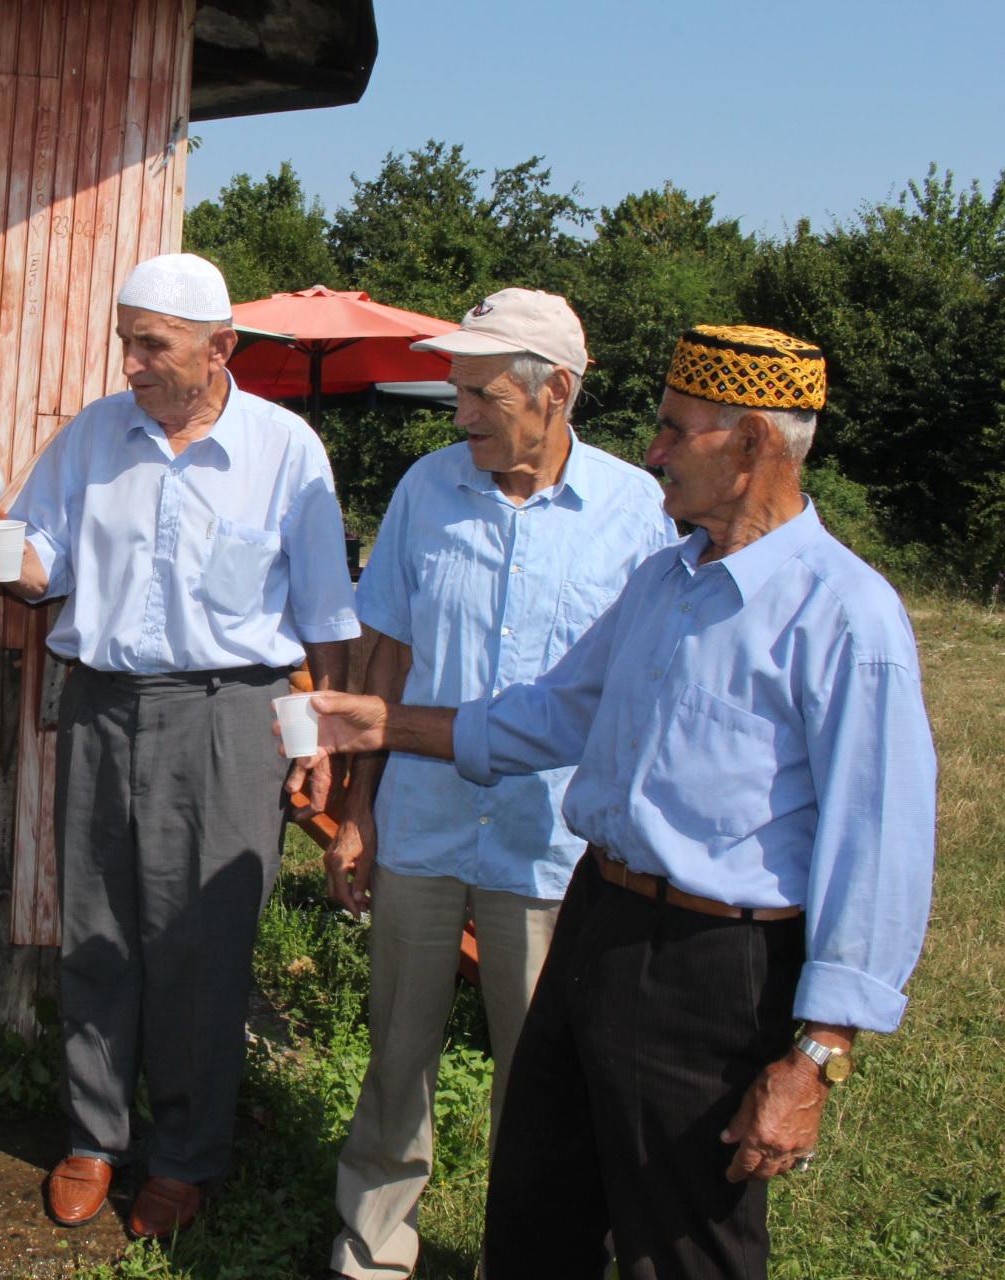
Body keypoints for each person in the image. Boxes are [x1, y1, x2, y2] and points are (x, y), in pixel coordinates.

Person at [302, 325, 937, 1279]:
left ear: (756, 442)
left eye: (679, 432)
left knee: (682, 1237)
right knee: (541, 1201)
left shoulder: (843, 614)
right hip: (597, 918)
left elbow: (880, 846)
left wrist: (817, 1055)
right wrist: (382, 725)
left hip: (716, 964)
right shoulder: (666, 579)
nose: (653, 453)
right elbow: (550, 716)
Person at [0, 252, 359, 1241]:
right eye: (126, 340)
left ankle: (184, 1154)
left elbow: (324, 617)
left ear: (218, 348)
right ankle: (97, 1136)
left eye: (153, 344)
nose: (130, 362)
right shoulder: (97, 435)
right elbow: (43, 551)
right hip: (101, 702)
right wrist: (2, 558)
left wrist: (318, 744)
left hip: (232, 715)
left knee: (202, 946)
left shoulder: (285, 450)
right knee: (97, 929)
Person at [321, 290, 674, 1280]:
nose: (461, 412)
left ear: (555, 391)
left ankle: (527, 1256)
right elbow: (384, 658)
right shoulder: (426, 492)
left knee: (544, 1072)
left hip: (551, 843)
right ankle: (372, 1241)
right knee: (397, 1051)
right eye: (457, 391)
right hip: (424, 823)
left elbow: (646, 683)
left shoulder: (636, 513)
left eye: (480, 393)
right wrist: (358, 812)